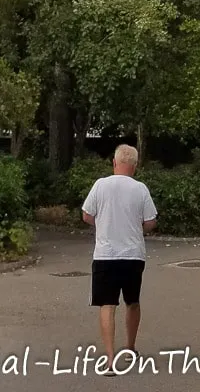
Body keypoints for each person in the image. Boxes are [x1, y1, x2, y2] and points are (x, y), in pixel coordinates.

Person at [82, 144, 158, 373]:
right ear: (135, 166)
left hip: (105, 255)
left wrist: (104, 225)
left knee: (107, 304)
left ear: (114, 163)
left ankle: (110, 359)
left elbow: (87, 215)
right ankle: (131, 347)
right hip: (133, 254)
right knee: (132, 302)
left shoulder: (100, 185)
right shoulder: (140, 189)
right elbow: (151, 221)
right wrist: (136, 228)